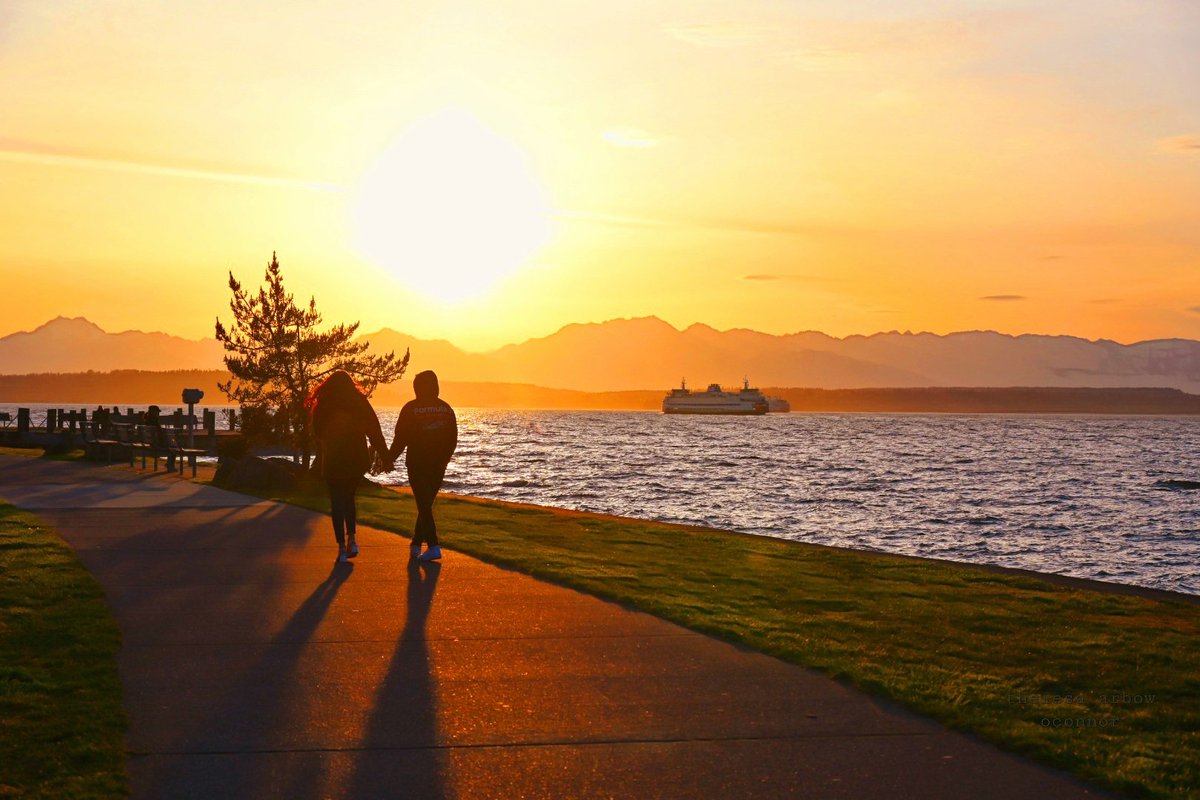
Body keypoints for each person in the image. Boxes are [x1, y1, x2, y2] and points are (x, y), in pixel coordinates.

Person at [305, 370, 391, 563]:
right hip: (356, 458)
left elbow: (318, 432)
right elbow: (374, 430)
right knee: (349, 498)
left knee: (337, 501)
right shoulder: (359, 402)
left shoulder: (324, 404)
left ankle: (342, 548)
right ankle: (352, 538)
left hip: (334, 459)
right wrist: (385, 456)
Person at [389, 370, 457, 561]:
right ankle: (416, 544)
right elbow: (453, 438)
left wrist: (389, 459)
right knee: (425, 504)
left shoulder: (411, 408)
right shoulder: (446, 409)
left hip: (417, 463)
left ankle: (434, 545)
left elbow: (401, 438)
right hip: (438, 465)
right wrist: (445, 458)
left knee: (424, 504)